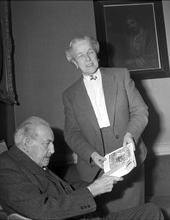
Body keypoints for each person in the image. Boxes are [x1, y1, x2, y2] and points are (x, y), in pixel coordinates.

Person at [0, 116, 164, 220]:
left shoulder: (29, 162)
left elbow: (67, 190)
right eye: (47, 144)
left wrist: (101, 181)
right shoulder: (6, 168)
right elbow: (41, 210)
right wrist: (91, 191)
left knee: (151, 211)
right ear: (26, 142)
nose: (53, 150)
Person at [62, 36, 148, 214]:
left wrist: (130, 134)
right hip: (95, 167)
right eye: (80, 55)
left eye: (90, 52)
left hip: (129, 156)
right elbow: (72, 133)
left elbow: (140, 111)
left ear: (97, 53)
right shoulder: (70, 95)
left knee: (135, 214)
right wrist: (91, 154)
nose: (87, 58)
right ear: (74, 63)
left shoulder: (121, 75)